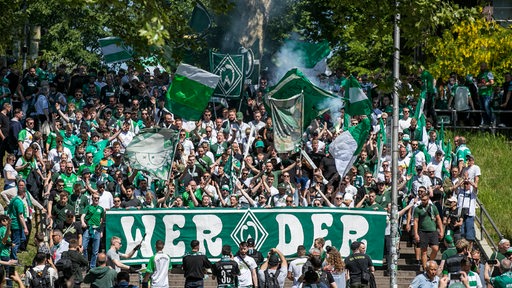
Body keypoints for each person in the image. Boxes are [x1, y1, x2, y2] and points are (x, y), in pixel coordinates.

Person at [413, 191, 444, 269]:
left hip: (433, 230)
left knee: (435, 248)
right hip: (422, 231)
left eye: (425, 200)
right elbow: (415, 221)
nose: (424, 201)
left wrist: (441, 230)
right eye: (422, 200)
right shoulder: (417, 209)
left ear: (428, 199)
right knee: (424, 251)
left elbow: (438, 219)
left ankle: (430, 261)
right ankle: (425, 268)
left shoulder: (433, 207)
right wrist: (416, 233)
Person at [81, 192, 105, 269]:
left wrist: (101, 231)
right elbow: (83, 216)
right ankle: (85, 264)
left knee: (95, 251)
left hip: (97, 229)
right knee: (83, 247)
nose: (96, 199)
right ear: (92, 198)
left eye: (97, 198)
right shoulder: (88, 207)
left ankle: (92, 266)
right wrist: (83, 222)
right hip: (89, 228)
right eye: (95, 198)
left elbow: (102, 220)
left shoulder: (101, 209)